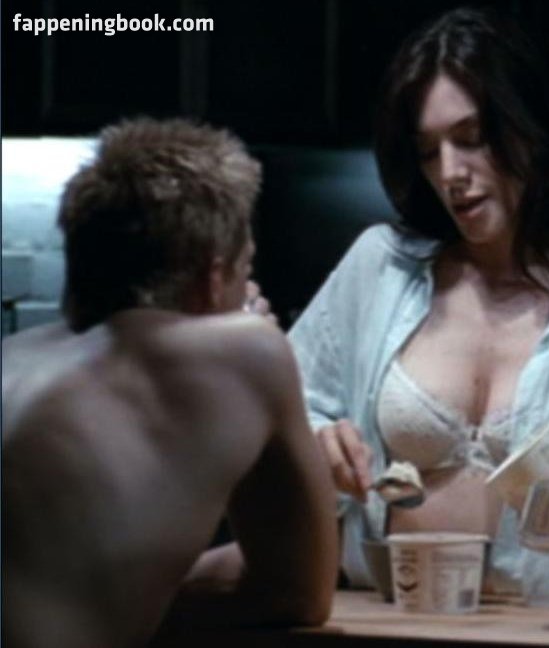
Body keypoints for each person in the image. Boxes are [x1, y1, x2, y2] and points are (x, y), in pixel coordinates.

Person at [288, 6, 549, 595]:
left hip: (548, 629)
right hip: (381, 615)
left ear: (532, 130)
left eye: (471, 139)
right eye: (428, 151)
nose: (450, 173)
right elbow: (276, 413)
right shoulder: (379, 267)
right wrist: (318, 442)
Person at [1, 118, 338, 648]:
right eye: (245, 268)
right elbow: (298, 594)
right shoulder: (246, 351)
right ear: (214, 277)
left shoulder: (14, 356)